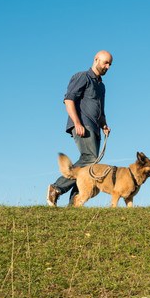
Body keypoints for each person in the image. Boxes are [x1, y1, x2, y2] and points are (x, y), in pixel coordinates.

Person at [47, 50, 113, 206]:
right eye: (105, 62)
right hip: (83, 124)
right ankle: (56, 188)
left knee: (90, 166)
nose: (108, 66)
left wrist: (104, 124)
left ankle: (74, 204)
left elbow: (100, 110)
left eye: (110, 64)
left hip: (95, 128)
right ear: (96, 59)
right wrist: (77, 123)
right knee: (89, 159)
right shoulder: (83, 77)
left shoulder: (101, 86)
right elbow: (69, 100)